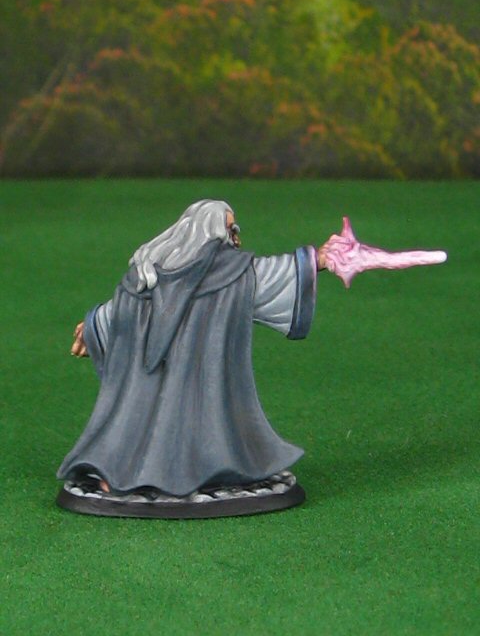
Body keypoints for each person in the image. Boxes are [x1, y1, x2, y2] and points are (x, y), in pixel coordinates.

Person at [56, 199, 327, 517]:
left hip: (197, 377)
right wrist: (317, 260)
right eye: (230, 229)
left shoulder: (163, 272)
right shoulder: (178, 272)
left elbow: (122, 308)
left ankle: (168, 475)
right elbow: (126, 307)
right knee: (146, 423)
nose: (236, 238)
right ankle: (123, 477)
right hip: (165, 381)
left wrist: (95, 325)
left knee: (191, 427)